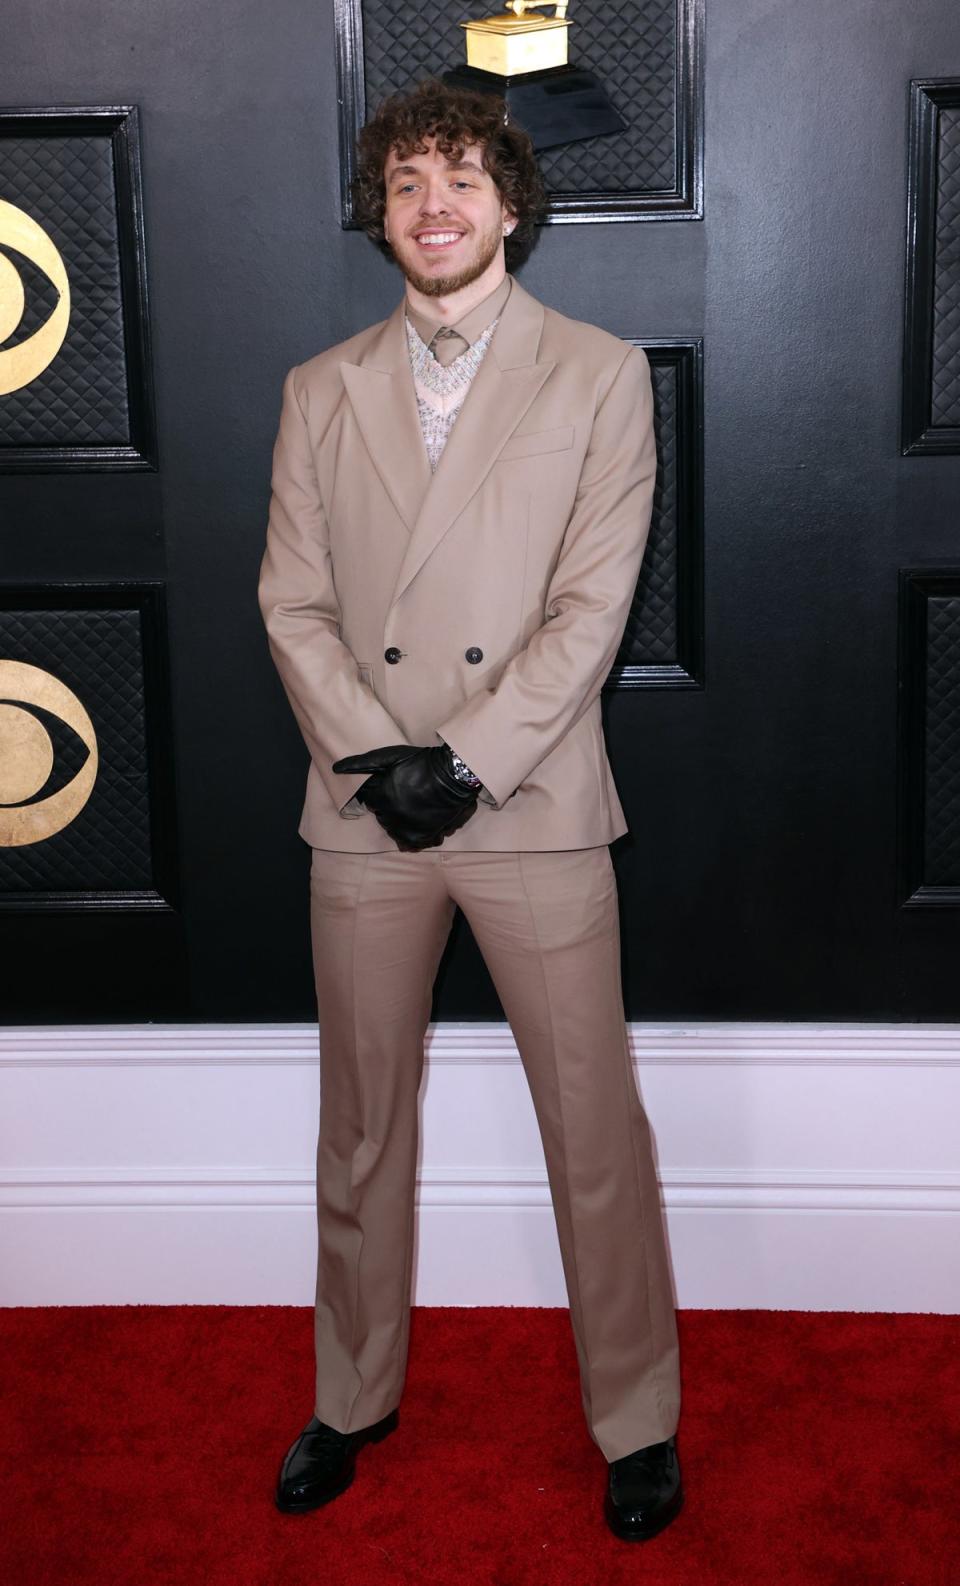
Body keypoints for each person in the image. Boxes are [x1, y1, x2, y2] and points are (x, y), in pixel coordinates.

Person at [258, 78, 683, 1542]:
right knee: (362, 1122)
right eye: (404, 187)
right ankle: (351, 1389)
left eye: (458, 181)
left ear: (511, 202)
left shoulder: (601, 373)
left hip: (536, 801)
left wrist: (473, 759)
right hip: (366, 809)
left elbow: (594, 604)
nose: (432, 209)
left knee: (592, 1122)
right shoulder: (322, 388)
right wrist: (384, 763)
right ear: (383, 215)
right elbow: (292, 602)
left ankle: (635, 1415)